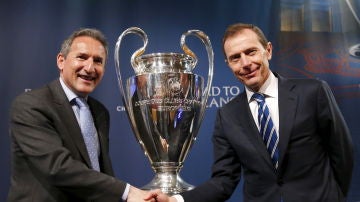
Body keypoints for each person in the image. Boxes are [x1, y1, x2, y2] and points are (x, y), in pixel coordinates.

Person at [146, 23, 354, 202]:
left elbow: (342, 154)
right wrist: (176, 200)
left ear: (268, 50)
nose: (245, 63)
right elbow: (223, 181)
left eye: (251, 52)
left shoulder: (312, 92)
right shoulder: (227, 115)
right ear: (228, 64)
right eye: (235, 58)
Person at [8, 28, 154, 202]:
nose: (90, 67)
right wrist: (128, 192)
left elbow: (100, 170)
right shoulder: (31, 105)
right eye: (82, 57)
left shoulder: (100, 112)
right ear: (61, 61)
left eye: (98, 61)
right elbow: (57, 167)